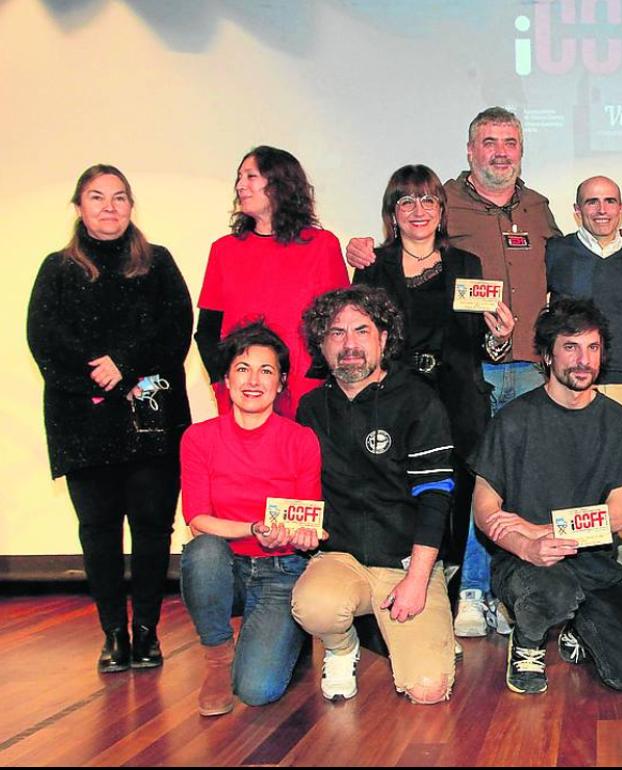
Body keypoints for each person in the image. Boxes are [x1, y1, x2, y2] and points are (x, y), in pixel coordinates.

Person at [344, 108, 622, 640]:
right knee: (474, 479)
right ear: (470, 151)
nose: (500, 152)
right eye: (489, 142)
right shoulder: (444, 203)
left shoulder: (538, 208)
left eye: (510, 141)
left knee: (526, 481)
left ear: (521, 149)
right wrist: (365, 247)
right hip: (469, 369)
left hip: (532, 369)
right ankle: (469, 589)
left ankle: (530, 583)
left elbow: (576, 254)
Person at [28, 164, 192, 673]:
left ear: (131, 206)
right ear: (79, 206)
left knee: (151, 528)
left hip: (152, 420)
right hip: (83, 423)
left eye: (119, 197)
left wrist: (124, 365)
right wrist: (101, 376)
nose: (109, 207)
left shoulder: (158, 263)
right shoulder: (57, 269)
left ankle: (146, 632)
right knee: (97, 530)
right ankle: (113, 635)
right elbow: (45, 342)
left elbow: (177, 329)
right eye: (97, 197)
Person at [351, 164, 514, 623]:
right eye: (407, 201)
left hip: (458, 397)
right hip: (397, 398)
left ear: (442, 210)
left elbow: (486, 347)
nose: (418, 210)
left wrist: (500, 336)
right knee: (402, 489)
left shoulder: (467, 265)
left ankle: (461, 592)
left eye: (428, 201)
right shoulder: (373, 268)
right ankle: (402, 585)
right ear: (392, 212)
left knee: (461, 491)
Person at [470, 298, 622, 696]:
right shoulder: (514, 420)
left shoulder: (619, 423)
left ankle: (577, 628)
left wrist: (538, 527)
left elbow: (619, 520)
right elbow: (485, 510)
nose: (583, 360)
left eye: (592, 347)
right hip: (526, 564)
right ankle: (529, 643)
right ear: (548, 354)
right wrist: (524, 543)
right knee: (551, 590)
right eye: (570, 347)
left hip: (593, 566)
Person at [291, 286, 456, 705]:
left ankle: (411, 619)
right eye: (336, 333)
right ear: (321, 345)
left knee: (428, 690)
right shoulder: (309, 409)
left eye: (362, 331)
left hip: (405, 563)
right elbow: (298, 488)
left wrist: (417, 579)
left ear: (384, 338)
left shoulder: (419, 400)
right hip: (340, 558)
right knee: (314, 606)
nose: (349, 345)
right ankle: (341, 648)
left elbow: (436, 496)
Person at [179, 322, 323, 716]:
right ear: (226, 379)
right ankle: (217, 658)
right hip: (225, 566)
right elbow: (197, 519)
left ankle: (280, 643)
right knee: (202, 550)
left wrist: (305, 536)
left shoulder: (300, 439)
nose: (253, 380)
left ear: (281, 384)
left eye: (266, 371)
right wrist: (254, 529)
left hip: (281, 568)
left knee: (257, 691)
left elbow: (305, 518)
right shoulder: (198, 438)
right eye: (242, 369)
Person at [546, 176, 622, 611]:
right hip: (569, 384)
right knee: (569, 482)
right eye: (592, 202)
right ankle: (568, 586)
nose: (602, 209)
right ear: (577, 211)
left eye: (610, 201)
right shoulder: (557, 252)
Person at [195, 145, 349, 418]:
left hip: (307, 395)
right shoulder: (223, 250)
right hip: (244, 396)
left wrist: (319, 379)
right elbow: (207, 330)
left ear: (280, 184)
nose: (241, 185)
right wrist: (222, 379)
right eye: (239, 177)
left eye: (250, 176)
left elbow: (338, 325)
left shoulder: (322, 246)